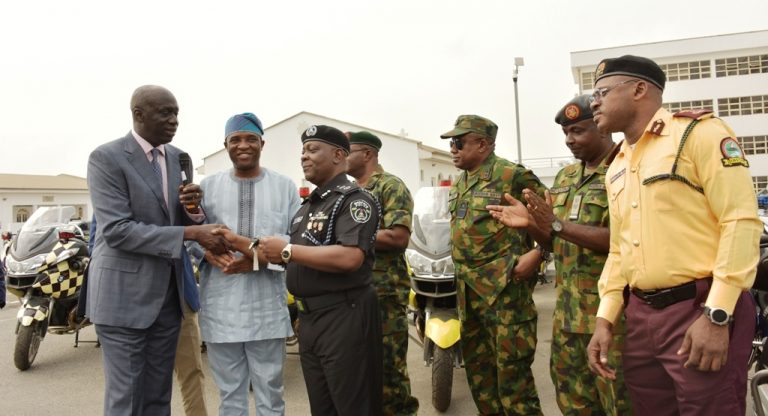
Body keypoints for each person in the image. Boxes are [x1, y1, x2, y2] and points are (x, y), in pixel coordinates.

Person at [585, 55, 761, 415]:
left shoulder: (698, 134)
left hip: (699, 308)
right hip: (641, 316)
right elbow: (619, 250)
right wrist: (605, 318)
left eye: (602, 92)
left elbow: (740, 222)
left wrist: (717, 314)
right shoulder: (617, 164)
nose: (594, 103)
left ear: (638, 90)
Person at [86, 85, 229, 416]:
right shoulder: (106, 158)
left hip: (168, 299)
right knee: (127, 400)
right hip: (123, 299)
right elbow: (117, 231)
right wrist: (192, 232)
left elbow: (178, 218)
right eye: (165, 113)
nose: (174, 120)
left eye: (176, 113)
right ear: (138, 114)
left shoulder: (179, 158)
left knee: (157, 398)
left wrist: (193, 210)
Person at [487, 95, 631, 415]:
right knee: (573, 403)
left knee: (619, 404)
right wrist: (532, 224)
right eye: (566, 133)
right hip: (567, 317)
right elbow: (555, 241)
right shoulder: (566, 178)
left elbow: (625, 239)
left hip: (612, 319)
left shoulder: (627, 168)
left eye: (578, 131)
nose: (569, 140)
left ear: (602, 127)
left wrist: (555, 224)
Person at [258, 125, 382, 416]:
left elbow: (350, 257)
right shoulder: (307, 207)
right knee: (323, 408)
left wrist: (287, 250)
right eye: (302, 151)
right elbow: (300, 257)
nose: (304, 156)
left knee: (353, 408)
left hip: (344, 316)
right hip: (310, 320)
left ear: (338, 155)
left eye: (312, 149)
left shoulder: (354, 200)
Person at [440, 114, 547, 415]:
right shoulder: (460, 182)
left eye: (459, 142)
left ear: (483, 144)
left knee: (514, 385)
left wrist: (541, 254)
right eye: (451, 143)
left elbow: (553, 220)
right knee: (480, 379)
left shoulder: (512, 175)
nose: (453, 149)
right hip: (468, 295)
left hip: (505, 293)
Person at [195, 112, 299, 416]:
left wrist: (254, 261)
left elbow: (295, 240)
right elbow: (193, 237)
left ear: (262, 144)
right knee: (230, 395)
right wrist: (206, 254)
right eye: (236, 139)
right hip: (221, 307)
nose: (243, 145)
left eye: (251, 139)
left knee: (271, 394)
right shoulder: (207, 188)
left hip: (266, 308)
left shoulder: (284, 187)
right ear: (225, 145)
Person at [88, 217, 209, 416]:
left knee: (191, 373)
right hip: (131, 302)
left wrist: (203, 251)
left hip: (178, 295)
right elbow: (99, 244)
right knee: (130, 389)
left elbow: (191, 231)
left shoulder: (175, 196)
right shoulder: (114, 206)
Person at [346, 131, 419, 416]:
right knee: (359, 375)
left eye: (348, 151)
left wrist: (350, 235)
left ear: (367, 154)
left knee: (389, 375)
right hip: (353, 295)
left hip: (383, 295)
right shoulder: (349, 191)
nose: (342, 157)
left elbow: (398, 238)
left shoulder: (390, 186)